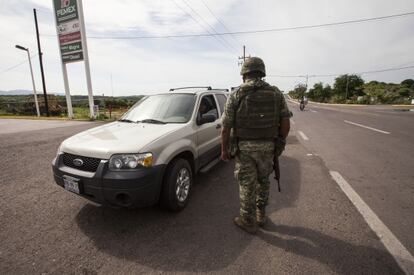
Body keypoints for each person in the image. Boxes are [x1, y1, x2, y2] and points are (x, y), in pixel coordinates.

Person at [221, 57, 291, 234]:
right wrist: (279, 143)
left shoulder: (237, 94)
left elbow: (226, 127)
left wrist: (224, 150)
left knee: (247, 184)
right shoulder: (276, 93)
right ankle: (261, 215)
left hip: (244, 149)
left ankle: (247, 221)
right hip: (268, 147)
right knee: (263, 180)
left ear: (244, 73)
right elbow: (285, 124)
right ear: (262, 72)